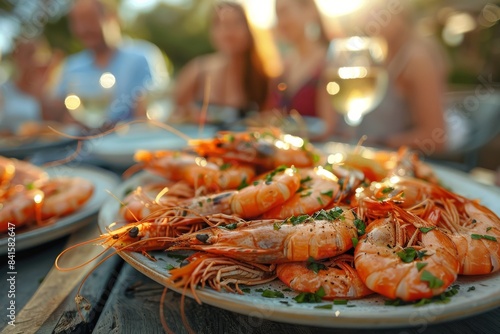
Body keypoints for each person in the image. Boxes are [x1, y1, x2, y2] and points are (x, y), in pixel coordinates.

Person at [334, 1, 448, 152]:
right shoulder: (378, 55)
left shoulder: (416, 59)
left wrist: (378, 143)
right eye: (368, 12)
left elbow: (435, 135)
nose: (371, 18)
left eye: (379, 11)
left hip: (398, 161)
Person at [49, 0, 156, 126]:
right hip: (81, 143)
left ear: (112, 17)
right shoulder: (71, 66)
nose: (83, 29)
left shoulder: (141, 58)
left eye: (90, 19)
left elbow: (146, 115)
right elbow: (55, 118)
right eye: (76, 22)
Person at [173, 1, 271, 125]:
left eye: (236, 23)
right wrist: (188, 116)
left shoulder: (262, 76)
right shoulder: (198, 70)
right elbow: (174, 115)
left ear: (250, 28)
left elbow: (269, 123)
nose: (228, 31)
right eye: (220, 24)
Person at [269, 0, 336, 141]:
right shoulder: (285, 65)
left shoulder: (329, 62)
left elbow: (329, 128)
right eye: (277, 15)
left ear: (309, 10)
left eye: (284, 12)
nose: (281, 22)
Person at [0, 38, 60, 134]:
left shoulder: (48, 90)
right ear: (16, 57)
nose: (33, 61)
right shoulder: (4, 90)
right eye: (28, 55)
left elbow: (53, 125)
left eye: (38, 56)